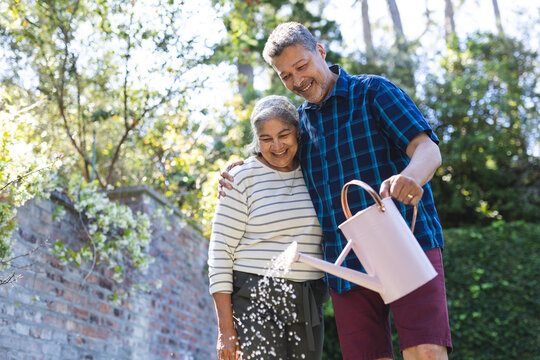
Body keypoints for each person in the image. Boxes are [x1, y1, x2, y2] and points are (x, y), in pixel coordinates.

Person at [219, 22, 452, 360]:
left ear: (321, 53)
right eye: (286, 76)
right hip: (346, 261)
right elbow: (273, 158)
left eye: (301, 66)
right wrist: (235, 169)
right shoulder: (299, 126)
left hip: (406, 240)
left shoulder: (373, 92)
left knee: (426, 352)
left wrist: (411, 177)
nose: (297, 80)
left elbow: (427, 148)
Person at [208, 95, 329, 360]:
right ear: (256, 139)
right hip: (254, 299)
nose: (276, 146)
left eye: (284, 135)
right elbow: (220, 253)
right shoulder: (240, 177)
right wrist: (225, 330)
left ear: (298, 132)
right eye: (266, 139)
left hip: (307, 301)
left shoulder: (317, 172)